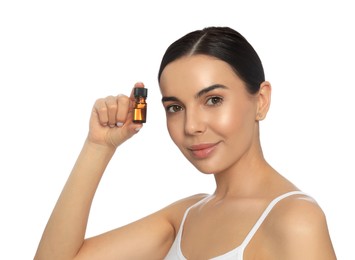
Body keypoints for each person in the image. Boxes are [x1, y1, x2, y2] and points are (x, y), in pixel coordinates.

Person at [35, 26, 336, 259]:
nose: (191, 126)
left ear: (261, 100)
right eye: (175, 108)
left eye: (213, 100)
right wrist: (98, 146)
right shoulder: (185, 216)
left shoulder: (295, 219)